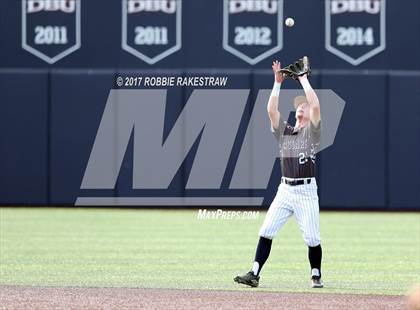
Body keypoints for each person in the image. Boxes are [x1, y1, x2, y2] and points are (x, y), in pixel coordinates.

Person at [234, 57, 323, 288]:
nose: (301, 107)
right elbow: (271, 110)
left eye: (302, 105)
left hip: (306, 191)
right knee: (266, 230)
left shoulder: (312, 133)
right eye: (298, 106)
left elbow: (315, 105)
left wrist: (303, 80)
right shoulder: (285, 132)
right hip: (285, 189)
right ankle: (254, 273)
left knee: (312, 238)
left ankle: (316, 274)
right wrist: (277, 82)